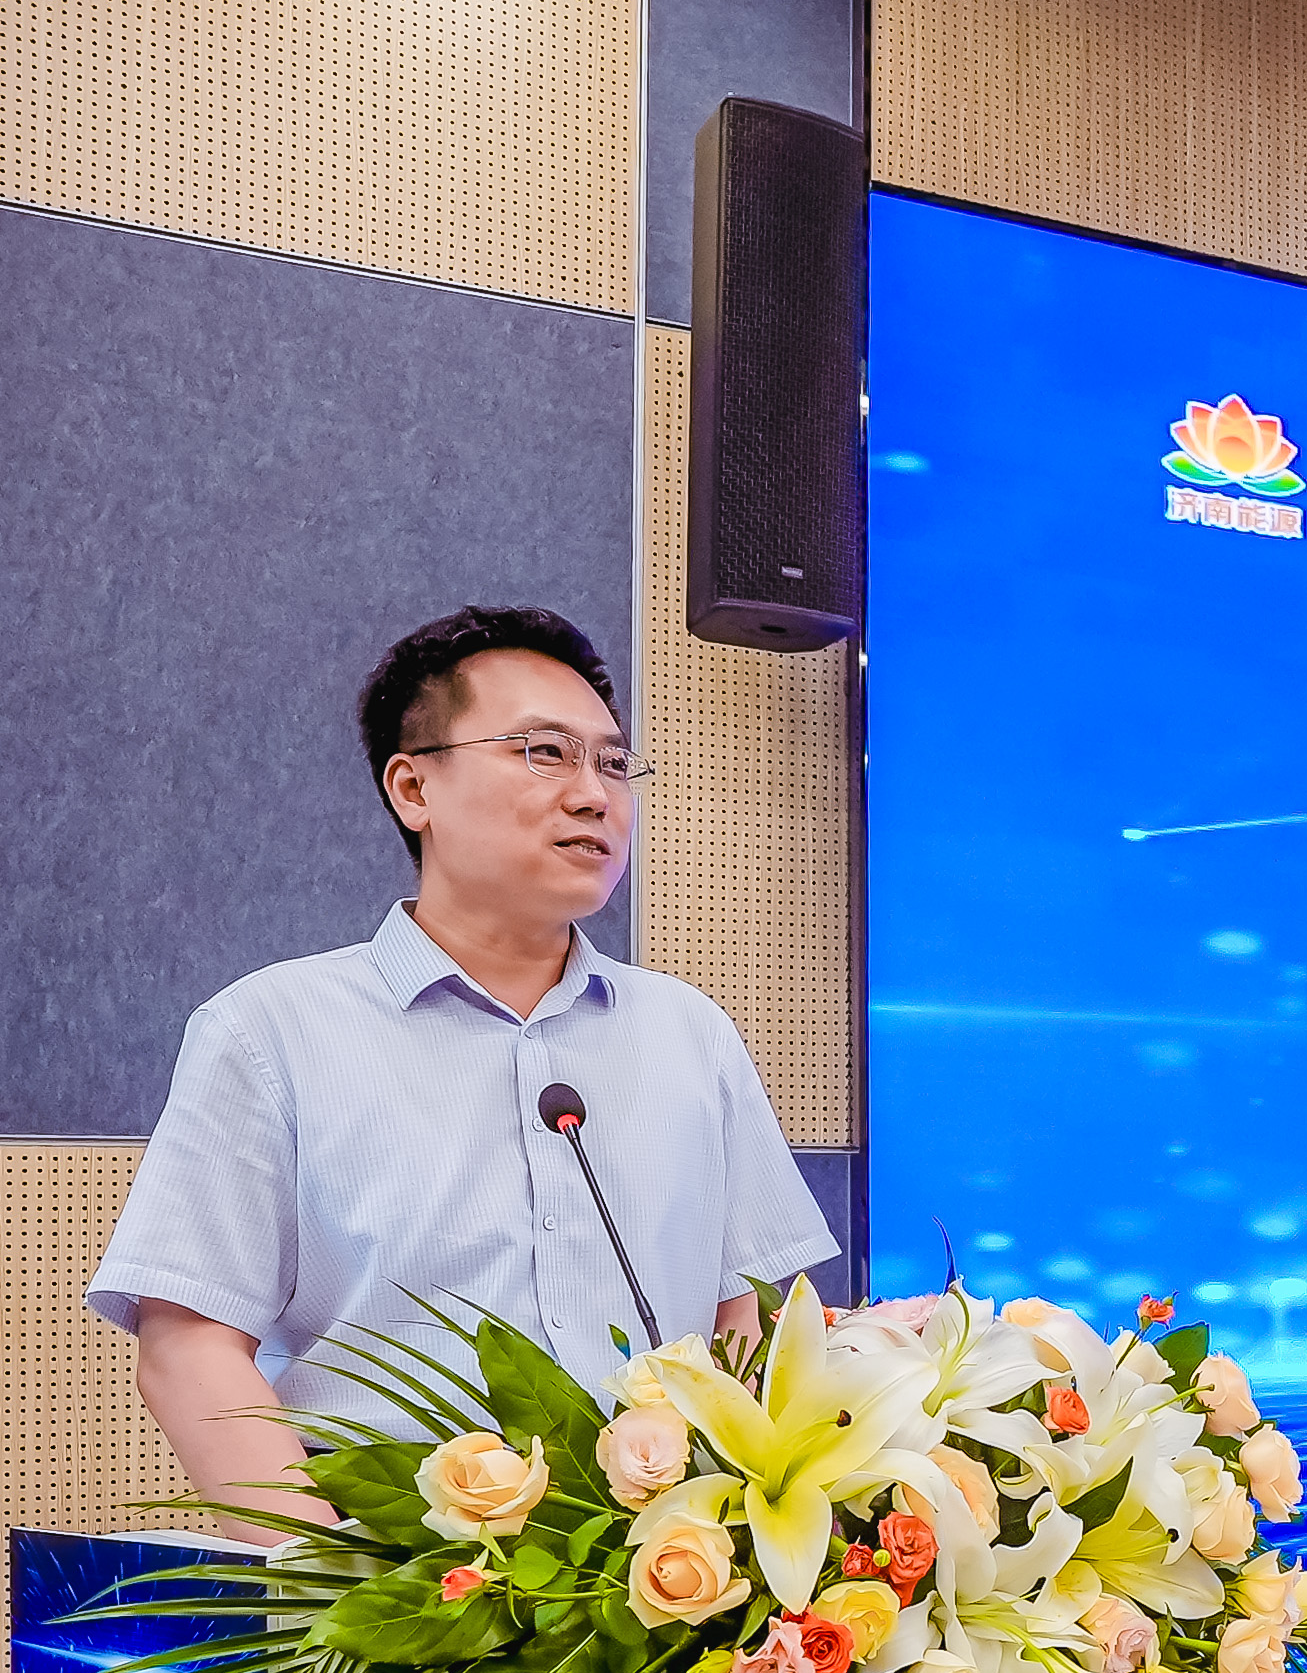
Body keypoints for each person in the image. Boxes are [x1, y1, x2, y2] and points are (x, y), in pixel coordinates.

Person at [90, 605, 839, 1526]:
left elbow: (745, 1319)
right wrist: (330, 1575)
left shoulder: (692, 1035)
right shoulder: (270, 1030)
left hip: (664, 1568)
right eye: (544, 752)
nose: (593, 795)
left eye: (613, 763)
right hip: (392, 1564)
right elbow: (188, 1345)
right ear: (414, 788)